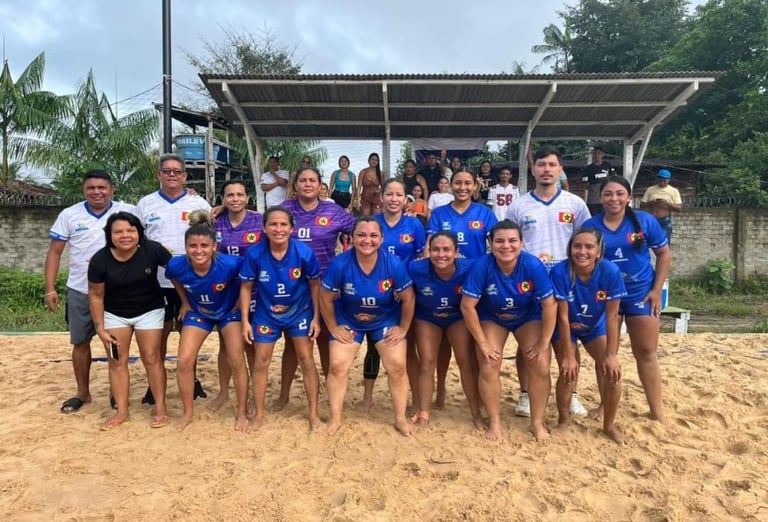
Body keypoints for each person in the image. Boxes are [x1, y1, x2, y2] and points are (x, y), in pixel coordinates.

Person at [505, 147, 591, 419]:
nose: (546, 169)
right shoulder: (518, 205)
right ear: (533, 170)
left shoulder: (575, 204)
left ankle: (572, 393)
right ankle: (525, 394)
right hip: (528, 282)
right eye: (541, 164)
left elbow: (586, 242)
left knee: (568, 340)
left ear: (559, 169)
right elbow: (508, 242)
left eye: (552, 165)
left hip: (566, 280)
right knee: (527, 341)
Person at [44, 170, 137, 414]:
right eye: (91, 188)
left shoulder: (128, 211)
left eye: (102, 187)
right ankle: (82, 392)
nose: (97, 192)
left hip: (116, 291)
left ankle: (116, 393)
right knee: (81, 342)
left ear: (112, 189)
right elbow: (55, 252)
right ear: (84, 191)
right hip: (80, 289)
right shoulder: (69, 214)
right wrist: (50, 288)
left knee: (113, 344)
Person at [584, 175, 671, 424]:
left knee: (646, 351)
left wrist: (657, 290)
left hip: (640, 293)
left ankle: (657, 410)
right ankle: (605, 405)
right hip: (606, 296)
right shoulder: (591, 225)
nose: (614, 198)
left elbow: (664, 254)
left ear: (628, 197)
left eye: (619, 193)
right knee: (606, 354)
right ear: (600, 198)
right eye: (608, 194)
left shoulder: (645, 221)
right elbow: (584, 260)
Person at [460, 220, 556, 442]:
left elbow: (550, 304)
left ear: (522, 243)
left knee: (540, 362)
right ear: (490, 243)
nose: (506, 246)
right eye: (499, 241)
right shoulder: (482, 266)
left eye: (513, 241)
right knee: (488, 361)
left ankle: (537, 422)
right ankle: (494, 421)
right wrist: (482, 342)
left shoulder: (532, 265)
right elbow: (467, 306)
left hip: (527, 316)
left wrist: (544, 341)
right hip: (493, 316)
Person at [320, 216, 415, 436]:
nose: (367, 240)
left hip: (384, 319)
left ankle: (400, 418)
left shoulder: (393, 263)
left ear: (381, 239)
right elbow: (324, 298)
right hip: (349, 319)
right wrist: (333, 327)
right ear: (351, 237)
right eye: (361, 235)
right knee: (337, 365)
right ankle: (335, 418)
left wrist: (403, 328)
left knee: (397, 365)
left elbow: (408, 298)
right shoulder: (340, 263)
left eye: (373, 235)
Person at [273, 167, 357, 409]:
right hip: (291, 288)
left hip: (325, 287)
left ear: (321, 185)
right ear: (295, 184)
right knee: (292, 344)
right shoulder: (285, 210)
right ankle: (284, 395)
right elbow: (262, 225)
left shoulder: (333, 211)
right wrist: (223, 209)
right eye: (302, 179)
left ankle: (332, 397)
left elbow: (362, 230)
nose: (307, 184)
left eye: (312, 180)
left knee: (325, 342)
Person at [136, 154, 211, 405]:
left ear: (185, 176)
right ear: (159, 174)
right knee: (160, 333)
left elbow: (210, 239)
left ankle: (192, 378)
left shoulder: (198, 203)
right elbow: (137, 242)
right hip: (156, 282)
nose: (172, 175)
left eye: (177, 171)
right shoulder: (145, 204)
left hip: (192, 281)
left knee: (189, 330)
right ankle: (153, 384)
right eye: (166, 171)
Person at [239, 206, 323, 431]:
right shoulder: (255, 253)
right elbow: (246, 287)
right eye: (273, 224)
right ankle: (258, 414)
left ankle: (313, 415)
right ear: (264, 228)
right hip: (266, 315)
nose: (278, 229)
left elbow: (315, 285)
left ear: (292, 228)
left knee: (306, 360)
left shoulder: (304, 252)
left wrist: (316, 317)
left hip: (300, 313)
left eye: (283, 224)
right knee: (261, 362)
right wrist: (245, 320)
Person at [165, 211, 249, 430]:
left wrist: (240, 304)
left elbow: (248, 280)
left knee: (235, 357)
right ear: (186, 248)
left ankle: (240, 410)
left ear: (214, 247)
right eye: (193, 246)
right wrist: (184, 301)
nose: (199, 250)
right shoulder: (176, 265)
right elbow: (174, 279)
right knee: (183, 360)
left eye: (204, 246)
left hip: (229, 312)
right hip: (199, 312)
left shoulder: (231, 264)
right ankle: (188, 412)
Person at [87, 212, 172, 430]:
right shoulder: (100, 260)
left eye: (130, 230)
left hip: (150, 310)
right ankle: (122, 411)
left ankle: (160, 408)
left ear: (138, 232)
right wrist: (100, 327)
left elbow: (178, 271)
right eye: (118, 231)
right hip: (115, 313)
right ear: (110, 234)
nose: (125, 235)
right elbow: (96, 295)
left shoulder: (153, 250)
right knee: (117, 361)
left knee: (152, 357)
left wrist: (187, 301)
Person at [550, 228, 626, 442]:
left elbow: (613, 317)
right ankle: (563, 421)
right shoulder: (560, 271)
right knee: (568, 371)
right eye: (577, 246)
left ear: (599, 252)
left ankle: (609, 425)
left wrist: (612, 354)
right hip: (565, 326)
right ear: (570, 249)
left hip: (594, 326)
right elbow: (562, 317)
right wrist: (568, 354)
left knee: (612, 372)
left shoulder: (610, 272)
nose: (582, 251)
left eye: (589, 246)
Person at [358, 179, 426, 413]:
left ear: (406, 198)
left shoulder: (414, 226)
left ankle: (415, 400)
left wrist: (405, 288)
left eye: (399, 195)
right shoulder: (372, 223)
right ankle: (367, 397)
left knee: (408, 348)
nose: (394, 199)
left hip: (406, 295)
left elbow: (421, 259)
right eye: (389, 194)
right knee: (373, 347)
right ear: (382, 197)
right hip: (377, 296)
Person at [409, 232, 478, 429]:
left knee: (465, 361)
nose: (441, 254)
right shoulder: (415, 268)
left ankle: (475, 413)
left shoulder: (470, 267)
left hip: (457, 317)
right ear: (427, 252)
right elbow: (401, 290)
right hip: (428, 317)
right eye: (435, 249)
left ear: (457, 252)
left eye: (447, 249)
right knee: (427, 362)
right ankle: (423, 413)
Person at [208, 180, 263, 412]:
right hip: (226, 289)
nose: (235, 199)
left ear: (247, 198)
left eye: (240, 194)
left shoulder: (259, 221)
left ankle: (251, 394)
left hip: (256, 289)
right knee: (225, 344)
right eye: (230, 195)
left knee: (251, 344)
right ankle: (223, 391)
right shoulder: (215, 221)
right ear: (223, 199)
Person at [640, 169, 682, 245]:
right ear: (657, 179)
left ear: (668, 180)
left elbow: (679, 208)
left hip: (664, 220)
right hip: (651, 219)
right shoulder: (650, 189)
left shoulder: (673, 191)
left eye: (664, 181)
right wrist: (653, 202)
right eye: (660, 180)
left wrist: (667, 204)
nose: (662, 182)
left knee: (664, 243)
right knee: (642, 240)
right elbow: (642, 205)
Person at [581, 146, 614, 216]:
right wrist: (595, 189)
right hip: (593, 199)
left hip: (607, 198)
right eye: (595, 153)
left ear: (603, 154)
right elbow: (584, 184)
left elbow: (613, 179)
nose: (597, 156)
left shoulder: (608, 166)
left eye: (599, 153)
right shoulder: (587, 169)